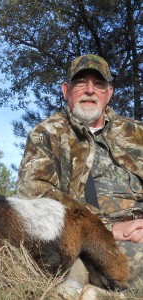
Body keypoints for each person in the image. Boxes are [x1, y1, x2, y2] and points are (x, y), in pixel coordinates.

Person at [17, 54, 143, 287]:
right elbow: (32, 194)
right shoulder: (47, 134)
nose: (90, 90)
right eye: (81, 83)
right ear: (66, 90)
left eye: (98, 84)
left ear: (109, 93)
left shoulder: (136, 133)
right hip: (94, 240)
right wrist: (109, 229)